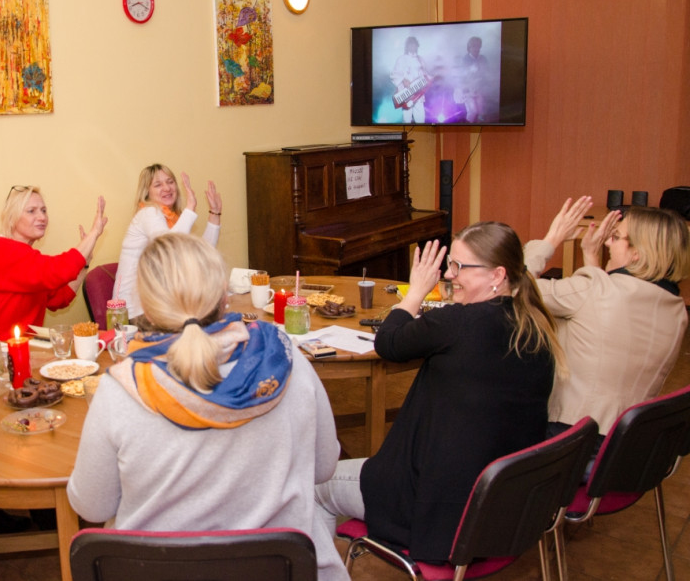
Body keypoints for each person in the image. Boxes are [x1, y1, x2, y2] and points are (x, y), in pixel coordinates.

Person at [68, 233, 348, 581]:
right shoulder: (288, 361)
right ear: (224, 296)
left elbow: (91, 506)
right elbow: (323, 468)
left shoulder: (121, 389)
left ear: (146, 305)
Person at [315, 225, 565, 564]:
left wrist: (416, 290)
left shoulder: (457, 323)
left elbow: (388, 342)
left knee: (316, 487)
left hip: (438, 508)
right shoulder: (535, 325)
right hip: (501, 506)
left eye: (459, 267)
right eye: (451, 264)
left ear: (498, 274)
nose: (449, 275)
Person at [525, 196, 690, 437]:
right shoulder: (677, 312)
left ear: (637, 253)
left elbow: (515, 288)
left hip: (567, 437)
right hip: (624, 444)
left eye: (615, 237)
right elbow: (606, 323)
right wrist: (593, 262)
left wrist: (552, 239)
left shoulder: (593, 290)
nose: (608, 244)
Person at [0, 186, 107, 352]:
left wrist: (85, 263)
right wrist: (94, 233)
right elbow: (58, 271)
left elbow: (59, 298)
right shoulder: (1, 250)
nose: (42, 217)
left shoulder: (28, 259)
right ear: (12, 218)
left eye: (44, 210)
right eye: (31, 211)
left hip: (6, 353)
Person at [113, 164, 222, 319]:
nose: (166, 188)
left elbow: (201, 254)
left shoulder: (173, 221)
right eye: (158, 184)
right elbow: (168, 246)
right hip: (134, 314)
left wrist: (215, 213)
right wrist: (190, 207)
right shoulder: (148, 213)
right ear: (147, 193)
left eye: (170, 182)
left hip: (158, 306)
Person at [390, 36, 429, 123]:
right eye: (410, 44)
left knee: (421, 119)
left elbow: (426, 75)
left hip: (419, 94)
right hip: (406, 93)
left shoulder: (421, 60)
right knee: (406, 120)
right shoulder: (401, 59)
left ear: (417, 46)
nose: (413, 46)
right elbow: (394, 74)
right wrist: (403, 80)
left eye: (414, 44)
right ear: (407, 46)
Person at [454, 36, 489, 123]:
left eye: (478, 46)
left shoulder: (483, 59)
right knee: (473, 112)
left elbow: (487, 75)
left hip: (479, 89)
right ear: (469, 48)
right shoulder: (464, 60)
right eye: (473, 46)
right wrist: (465, 90)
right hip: (467, 90)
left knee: (481, 112)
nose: (476, 48)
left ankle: (480, 129)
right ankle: (467, 130)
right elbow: (460, 78)